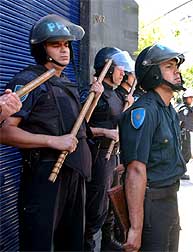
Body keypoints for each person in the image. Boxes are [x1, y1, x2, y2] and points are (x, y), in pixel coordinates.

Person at [0, 14, 103, 251]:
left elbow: (79, 128)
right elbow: (5, 132)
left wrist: (95, 98)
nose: (64, 50)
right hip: (46, 176)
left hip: (74, 173)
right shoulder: (28, 80)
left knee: (72, 242)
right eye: (56, 45)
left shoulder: (65, 82)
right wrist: (53, 141)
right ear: (41, 48)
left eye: (66, 45)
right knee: (40, 243)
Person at [119, 43, 187, 252]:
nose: (176, 71)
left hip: (169, 199)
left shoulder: (168, 110)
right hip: (151, 204)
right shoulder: (144, 111)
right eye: (168, 66)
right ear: (153, 73)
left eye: (176, 65)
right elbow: (136, 171)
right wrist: (136, 228)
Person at [84, 47, 134, 251]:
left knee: (111, 202)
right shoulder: (95, 93)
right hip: (98, 156)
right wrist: (105, 132)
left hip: (113, 157)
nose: (123, 73)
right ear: (109, 68)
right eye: (120, 69)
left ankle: (107, 242)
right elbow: (80, 128)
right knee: (96, 206)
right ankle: (87, 244)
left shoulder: (115, 95)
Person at [178, 88, 193, 180]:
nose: (192, 99)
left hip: (186, 133)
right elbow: (181, 121)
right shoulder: (184, 109)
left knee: (187, 153)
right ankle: (180, 172)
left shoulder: (188, 108)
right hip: (184, 133)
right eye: (190, 98)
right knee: (185, 153)